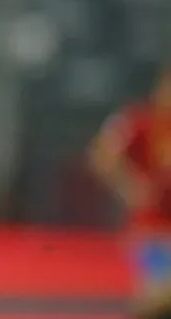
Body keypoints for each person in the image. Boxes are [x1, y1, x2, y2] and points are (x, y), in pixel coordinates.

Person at [90, 67, 171, 319]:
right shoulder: (138, 120)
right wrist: (129, 186)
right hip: (153, 231)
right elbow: (101, 154)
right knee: (159, 295)